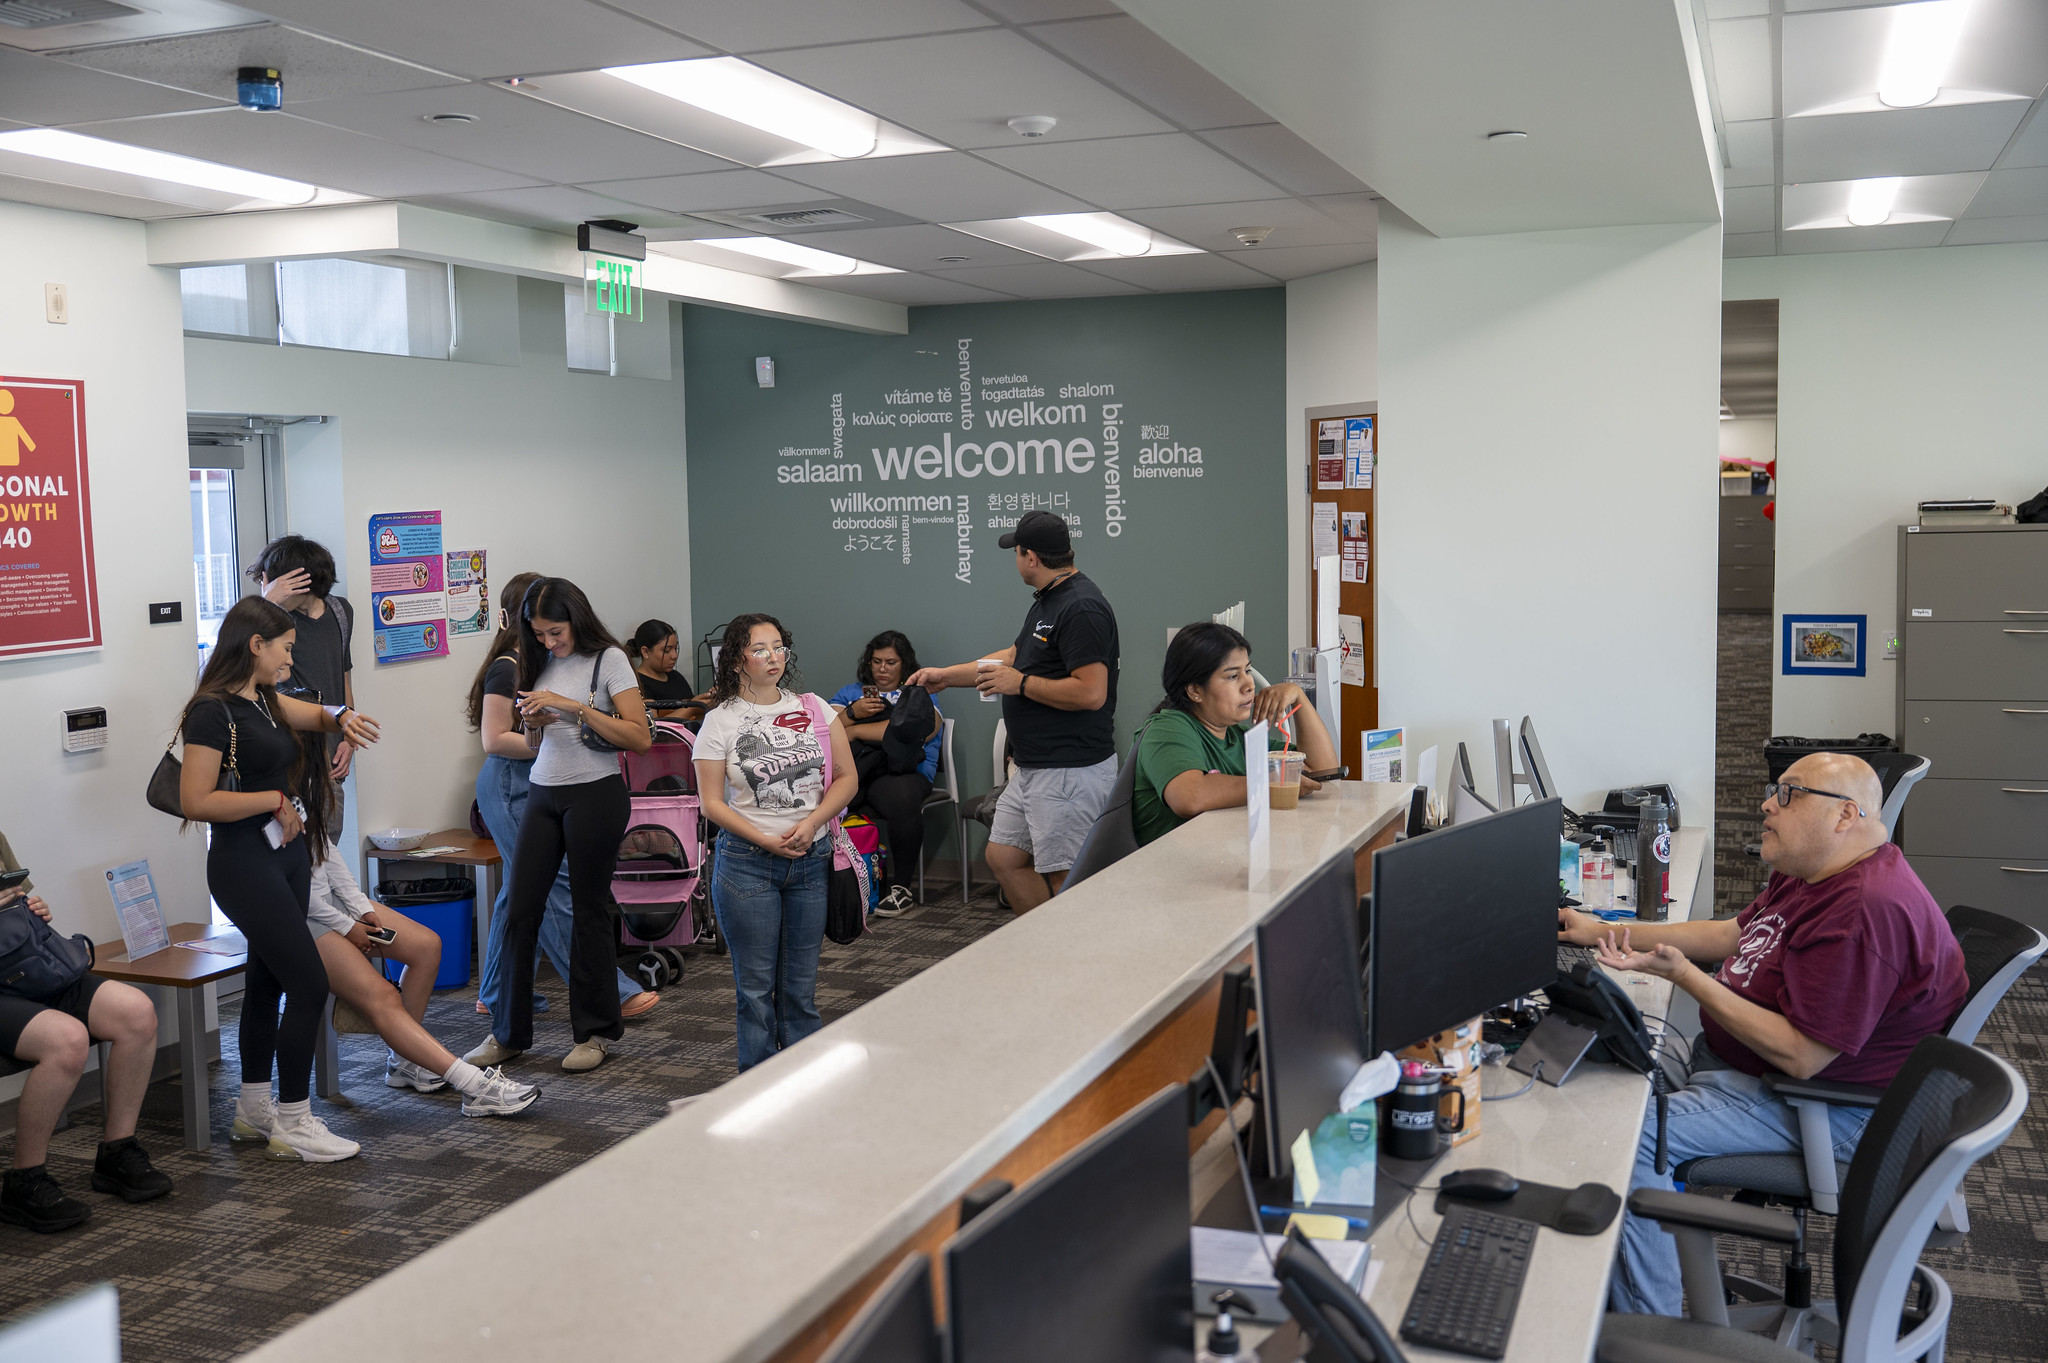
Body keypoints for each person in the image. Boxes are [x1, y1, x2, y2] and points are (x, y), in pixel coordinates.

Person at [1559, 753, 1968, 1317]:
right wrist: (1606, 930)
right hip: (1742, 1068)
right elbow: (1733, 934)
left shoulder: (1863, 913)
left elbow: (1802, 1056)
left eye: (1788, 794)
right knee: (1603, 1065)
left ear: (1845, 814)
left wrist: (1684, 978)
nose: (1766, 804)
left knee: (1629, 1137)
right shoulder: (1817, 870)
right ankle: (1631, 1268)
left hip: (1820, 1106)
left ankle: (1650, 1333)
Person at [179, 595, 383, 1163]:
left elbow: (315, 715)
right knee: (310, 983)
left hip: (287, 856)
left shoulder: (265, 699)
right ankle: (293, 1119)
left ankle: (251, 1111)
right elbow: (196, 800)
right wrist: (272, 798)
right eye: (287, 650)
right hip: (246, 865)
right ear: (256, 646)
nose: (292, 661)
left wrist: (342, 717)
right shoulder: (212, 711)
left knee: (267, 985)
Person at [466, 578, 650, 1075]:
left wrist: (575, 708)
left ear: (576, 617)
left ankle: (595, 1033)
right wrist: (535, 721)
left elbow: (640, 737)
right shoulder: (533, 660)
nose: (549, 642)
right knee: (521, 908)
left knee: (588, 911)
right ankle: (507, 1033)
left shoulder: (607, 659)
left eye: (555, 631)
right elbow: (530, 741)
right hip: (544, 790)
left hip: (596, 792)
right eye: (539, 634)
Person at [908, 510, 1119, 912]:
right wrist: (947, 676)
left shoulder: (1081, 607)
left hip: (1068, 770)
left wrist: (1019, 684)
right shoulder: (1048, 601)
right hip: (1034, 767)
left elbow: (1092, 692)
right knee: (1003, 856)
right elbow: (1013, 657)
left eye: (1017, 552)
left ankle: (1079, 966)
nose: (1016, 560)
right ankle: (1046, 946)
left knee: (1065, 876)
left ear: (1031, 557)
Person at [693, 615, 858, 1072]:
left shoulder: (816, 708)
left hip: (811, 858)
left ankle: (803, 1081)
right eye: (760, 649)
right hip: (747, 863)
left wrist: (813, 823)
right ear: (737, 659)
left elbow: (846, 778)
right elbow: (711, 804)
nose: (773, 656)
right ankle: (759, 1084)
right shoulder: (719, 721)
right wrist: (766, 839)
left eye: (779, 646)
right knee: (755, 990)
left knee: (800, 988)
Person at [0, 834, 173, 1233]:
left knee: (136, 1012)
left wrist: (33, 909)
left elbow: (18, 900)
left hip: (28, 965)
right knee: (68, 1040)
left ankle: (117, 1152)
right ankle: (23, 1180)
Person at [303, 848, 537, 1117]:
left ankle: (403, 1061)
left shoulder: (307, 807)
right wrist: (345, 926)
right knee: (383, 996)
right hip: (298, 912)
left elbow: (325, 849)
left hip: (326, 899)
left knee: (427, 946)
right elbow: (288, 885)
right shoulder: (270, 808)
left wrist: (360, 907)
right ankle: (475, 1085)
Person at [1131, 623, 1339, 846]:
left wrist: (1299, 698)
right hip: (1167, 871)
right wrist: (1271, 783)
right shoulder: (1168, 728)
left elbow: (1322, 772)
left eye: (1247, 671)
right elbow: (1189, 796)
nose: (1248, 684)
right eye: (1232, 676)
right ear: (1194, 691)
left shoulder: (1237, 736)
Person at [828, 630, 943, 918]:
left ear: (905, 664)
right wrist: (852, 713)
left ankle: (901, 888)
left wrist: (853, 731)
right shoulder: (851, 693)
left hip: (905, 774)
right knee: (824, 793)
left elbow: (923, 730)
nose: (882, 669)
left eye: (890, 662)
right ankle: (832, 883)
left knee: (902, 796)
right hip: (858, 772)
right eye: (877, 661)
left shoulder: (919, 693)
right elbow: (825, 734)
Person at [251, 536, 357, 797]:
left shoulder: (341, 612)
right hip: (282, 753)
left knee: (328, 834)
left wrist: (348, 736)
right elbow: (241, 666)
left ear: (298, 582)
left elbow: (343, 677)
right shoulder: (269, 621)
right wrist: (267, 603)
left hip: (328, 753)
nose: (269, 587)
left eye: (274, 582)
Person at [627, 618, 708, 723]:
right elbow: (655, 725)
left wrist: (706, 701)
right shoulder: (638, 684)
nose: (674, 655)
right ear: (645, 652)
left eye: (675, 648)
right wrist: (693, 708)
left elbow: (693, 710)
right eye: (667, 651)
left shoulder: (676, 676)